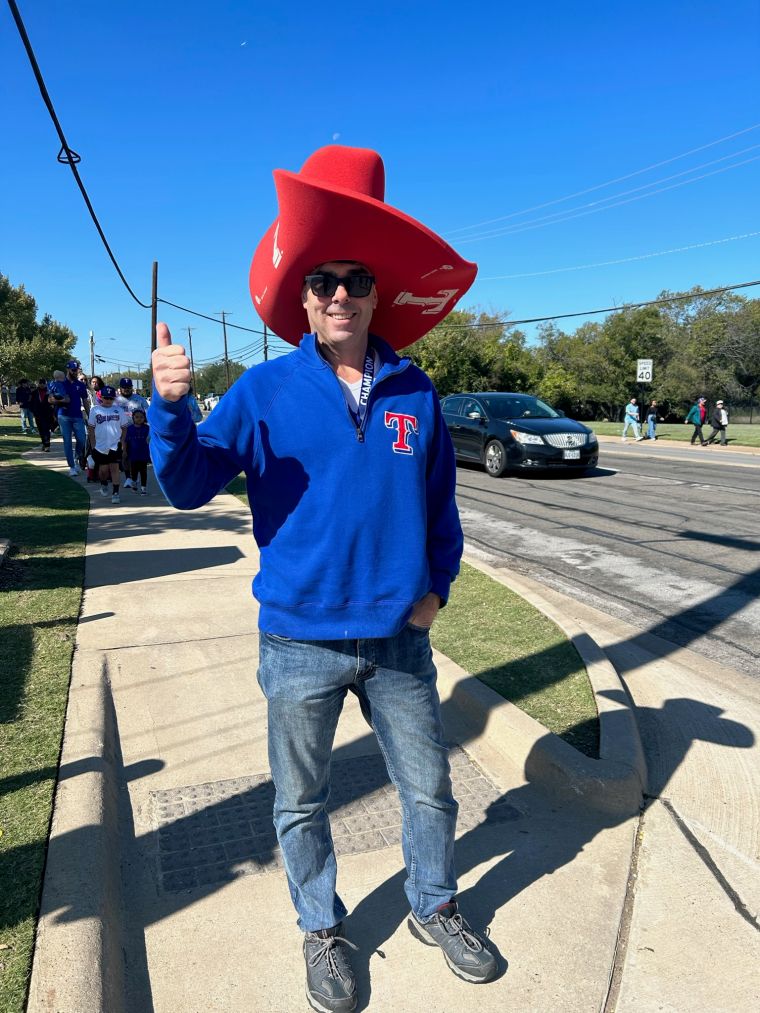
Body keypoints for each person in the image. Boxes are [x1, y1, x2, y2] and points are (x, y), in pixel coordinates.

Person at [149, 145, 497, 1011]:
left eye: (355, 279)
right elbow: (188, 485)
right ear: (304, 299)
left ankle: (435, 905)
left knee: (431, 791)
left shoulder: (416, 392)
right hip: (299, 640)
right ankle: (322, 926)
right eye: (323, 281)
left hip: (397, 639)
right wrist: (168, 409)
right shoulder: (262, 392)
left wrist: (438, 588)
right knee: (301, 803)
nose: (339, 293)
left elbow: (442, 508)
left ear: (378, 294)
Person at [86, 385, 128, 503]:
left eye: (111, 398)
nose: (109, 400)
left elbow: (124, 428)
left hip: (115, 444)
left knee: (114, 468)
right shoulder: (95, 410)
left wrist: (122, 441)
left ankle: (116, 493)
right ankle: (103, 483)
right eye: (106, 398)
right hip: (100, 446)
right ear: (101, 398)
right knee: (103, 470)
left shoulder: (118, 410)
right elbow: (91, 428)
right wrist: (93, 444)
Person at [50, 360, 90, 477]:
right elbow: (50, 399)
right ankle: (72, 466)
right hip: (63, 415)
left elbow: (85, 401)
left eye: (76, 369)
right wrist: (59, 400)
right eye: (73, 370)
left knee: (82, 440)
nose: (75, 372)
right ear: (68, 370)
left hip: (77, 415)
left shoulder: (80, 385)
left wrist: (89, 415)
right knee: (67, 441)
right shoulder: (60, 383)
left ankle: (77, 457)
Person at [116, 378, 150, 489]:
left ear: (132, 388)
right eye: (124, 388)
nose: (126, 389)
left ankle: (136, 474)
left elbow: (148, 414)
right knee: (124, 454)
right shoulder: (116, 401)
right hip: (122, 430)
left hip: (138, 430)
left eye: (128, 387)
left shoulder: (139, 400)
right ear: (120, 388)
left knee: (137, 455)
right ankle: (128, 478)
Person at [125, 409, 150, 494]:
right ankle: (134, 483)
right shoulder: (129, 429)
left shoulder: (147, 428)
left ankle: (144, 487)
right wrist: (124, 451)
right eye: (137, 417)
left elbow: (151, 440)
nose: (139, 419)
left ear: (144, 418)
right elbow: (125, 441)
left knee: (143, 471)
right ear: (133, 418)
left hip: (144, 453)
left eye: (141, 417)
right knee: (134, 470)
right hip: (133, 454)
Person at [29, 378, 56, 451]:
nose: (42, 385)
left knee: (46, 429)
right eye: (40, 383)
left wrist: (52, 412)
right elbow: (30, 403)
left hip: (47, 413)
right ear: (38, 383)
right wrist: (33, 412)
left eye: (43, 383)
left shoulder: (49, 392)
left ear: (45, 384)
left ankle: (47, 445)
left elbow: (53, 402)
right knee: (41, 430)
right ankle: (44, 443)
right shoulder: (34, 392)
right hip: (37, 414)